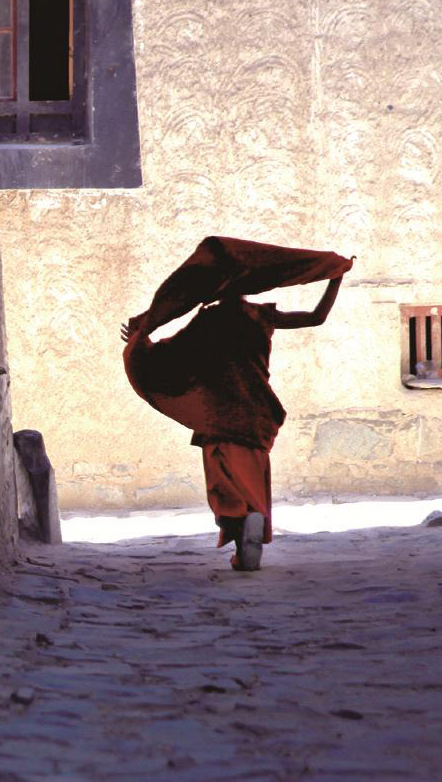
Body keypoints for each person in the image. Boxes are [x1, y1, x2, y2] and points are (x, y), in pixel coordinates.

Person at [120, 237, 354, 572]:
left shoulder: (208, 321)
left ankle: (242, 523)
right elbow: (316, 317)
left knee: (224, 479)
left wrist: (140, 340)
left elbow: (170, 357)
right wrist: (336, 276)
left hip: (222, 413)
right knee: (251, 474)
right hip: (256, 409)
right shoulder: (261, 316)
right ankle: (252, 523)